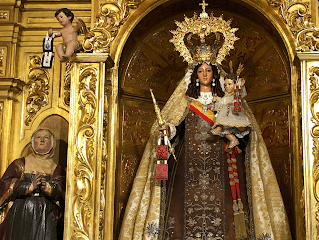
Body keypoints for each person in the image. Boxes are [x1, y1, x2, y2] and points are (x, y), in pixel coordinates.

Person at [119, 3, 291, 239]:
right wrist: (167, 130)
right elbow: (175, 128)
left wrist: (236, 131)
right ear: (195, 75)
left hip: (224, 160)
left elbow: (246, 131)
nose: (205, 74)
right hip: (189, 164)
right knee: (182, 207)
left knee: (229, 208)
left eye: (208, 70)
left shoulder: (227, 99)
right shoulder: (186, 101)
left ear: (215, 73)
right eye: (200, 71)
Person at [0, 129, 65, 240]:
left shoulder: (56, 169)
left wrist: (47, 187)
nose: (42, 140)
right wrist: (28, 187)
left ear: (52, 143)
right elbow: (4, 183)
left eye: (46, 137)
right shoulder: (20, 164)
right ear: (32, 143)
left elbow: (62, 190)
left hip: (46, 215)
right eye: (38, 137)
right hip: (22, 212)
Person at [211, 64, 251, 149]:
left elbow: (242, 94)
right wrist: (215, 101)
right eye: (225, 85)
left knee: (225, 113)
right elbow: (217, 107)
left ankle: (220, 127)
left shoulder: (236, 94)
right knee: (224, 129)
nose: (227, 87)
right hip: (226, 120)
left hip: (235, 114)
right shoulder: (224, 97)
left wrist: (240, 86)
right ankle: (233, 139)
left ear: (235, 84)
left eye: (229, 84)